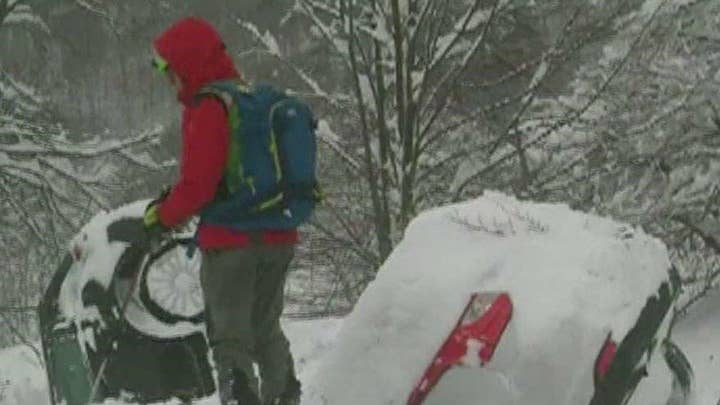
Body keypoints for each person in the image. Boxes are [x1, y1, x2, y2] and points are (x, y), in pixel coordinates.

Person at [143, 17, 303, 405]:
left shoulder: (210, 106)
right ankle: (285, 397)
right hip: (279, 238)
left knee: (230, 339)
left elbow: (199, 185)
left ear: (187, 65)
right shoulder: (252, 100)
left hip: (231, 245)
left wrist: (161, 216)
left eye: (171, 71)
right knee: (266, 330)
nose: (170, 82)